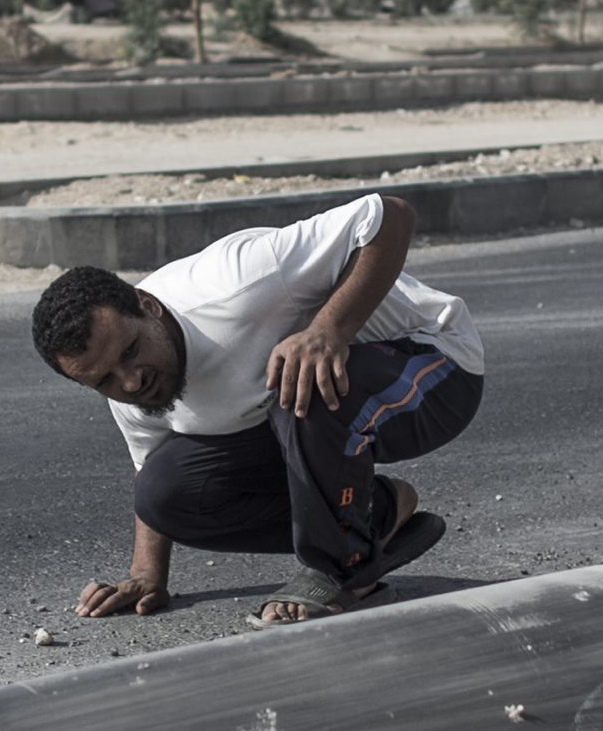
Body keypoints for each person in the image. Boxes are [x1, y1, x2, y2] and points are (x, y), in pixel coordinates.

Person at [33, 190, 483, 624]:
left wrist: (328, 330)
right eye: (103, 380)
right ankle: (378, 514)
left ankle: (340, 569)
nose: (129, 381)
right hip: (314, 421)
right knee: (163, 493)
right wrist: (146, 574)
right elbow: (152, 470)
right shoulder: (130, 387)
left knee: (297, 373)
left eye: (130, 352)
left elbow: (391, 215)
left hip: (436, 369)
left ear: (148, 306)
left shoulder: (240, 280)